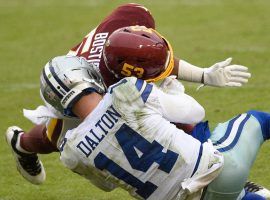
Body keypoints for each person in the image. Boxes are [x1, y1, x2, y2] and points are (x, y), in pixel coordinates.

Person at [6, 3, 251, 186]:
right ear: (125, 77)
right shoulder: (102, 89)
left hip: (101, 65)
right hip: (68, 83)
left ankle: (217, 170)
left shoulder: (133, 16)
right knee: (60, 137)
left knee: (166, 117)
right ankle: (22, 144)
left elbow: (143, 53)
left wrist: (204, 75)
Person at [23, 55, 270, 200]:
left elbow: (107, 185)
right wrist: (171, 89)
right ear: (86, 74)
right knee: (259, 120)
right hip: (219, 172)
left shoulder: (71, 152)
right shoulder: (125, 92)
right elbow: (196, 113)